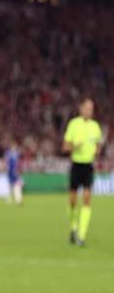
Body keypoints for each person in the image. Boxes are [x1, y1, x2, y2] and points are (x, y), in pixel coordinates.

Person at [62, 98, 102, 246]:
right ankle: (73, 227)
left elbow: (98, 144)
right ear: (81, 108)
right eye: (87, 108)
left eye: (91, 109)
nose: (89, 111)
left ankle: (81, 235)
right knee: (72, 201)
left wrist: (97, 151)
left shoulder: (95, 127)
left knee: (86, 199)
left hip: (88, 166)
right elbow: (65, 147)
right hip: (76, 165)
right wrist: (75, 147)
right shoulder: (74, 124)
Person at [5, 141, 23, 205]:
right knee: (12, 186)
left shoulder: (15, 154)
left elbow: (17, 164)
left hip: (14, 172)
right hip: (11, 172)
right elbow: (8, 163)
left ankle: (17, 199)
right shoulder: (10, 154)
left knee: (15, 186)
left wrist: (17, 170)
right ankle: (14, 199)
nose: (14, 147)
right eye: (13, 146)